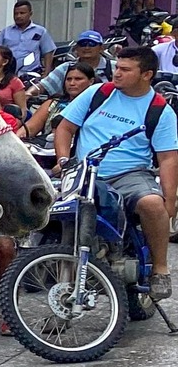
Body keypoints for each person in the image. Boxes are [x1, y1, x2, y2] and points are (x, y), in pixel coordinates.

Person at [54, 43, 178, 301]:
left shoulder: (159, 110)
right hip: (84, 171)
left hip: (130, 175)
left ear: (146, 75)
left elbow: (167, 158)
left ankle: (160, 269)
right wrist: (64, 161)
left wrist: (169, 201)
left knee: (153, 205)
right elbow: (65, 128)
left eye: (125, 69)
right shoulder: (98, 93)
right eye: (117, 67)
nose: (117, 73)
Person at [20, 63, 95, 146]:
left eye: (78, 79)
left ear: (91, 81)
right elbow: (29, 129)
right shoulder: (53, 104)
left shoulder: (98, 106)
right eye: (69, 79)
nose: (72, 83)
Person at [34, 31, 113, 101]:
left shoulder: (114, 67)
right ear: (76, 48)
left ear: (101, 48)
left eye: (92, 44)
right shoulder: (66, 67)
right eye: (83, 44)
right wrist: (29, 94)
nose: (87, 48)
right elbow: (43, 85)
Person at [0, 1, 57, 75]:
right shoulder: (5, 32)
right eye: (15, 13)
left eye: (22, 13)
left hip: (31, 74)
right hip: (8, 74)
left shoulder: (40, 31)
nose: (18, 16)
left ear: (30, 13)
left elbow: (48, 52)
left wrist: (46, 74)